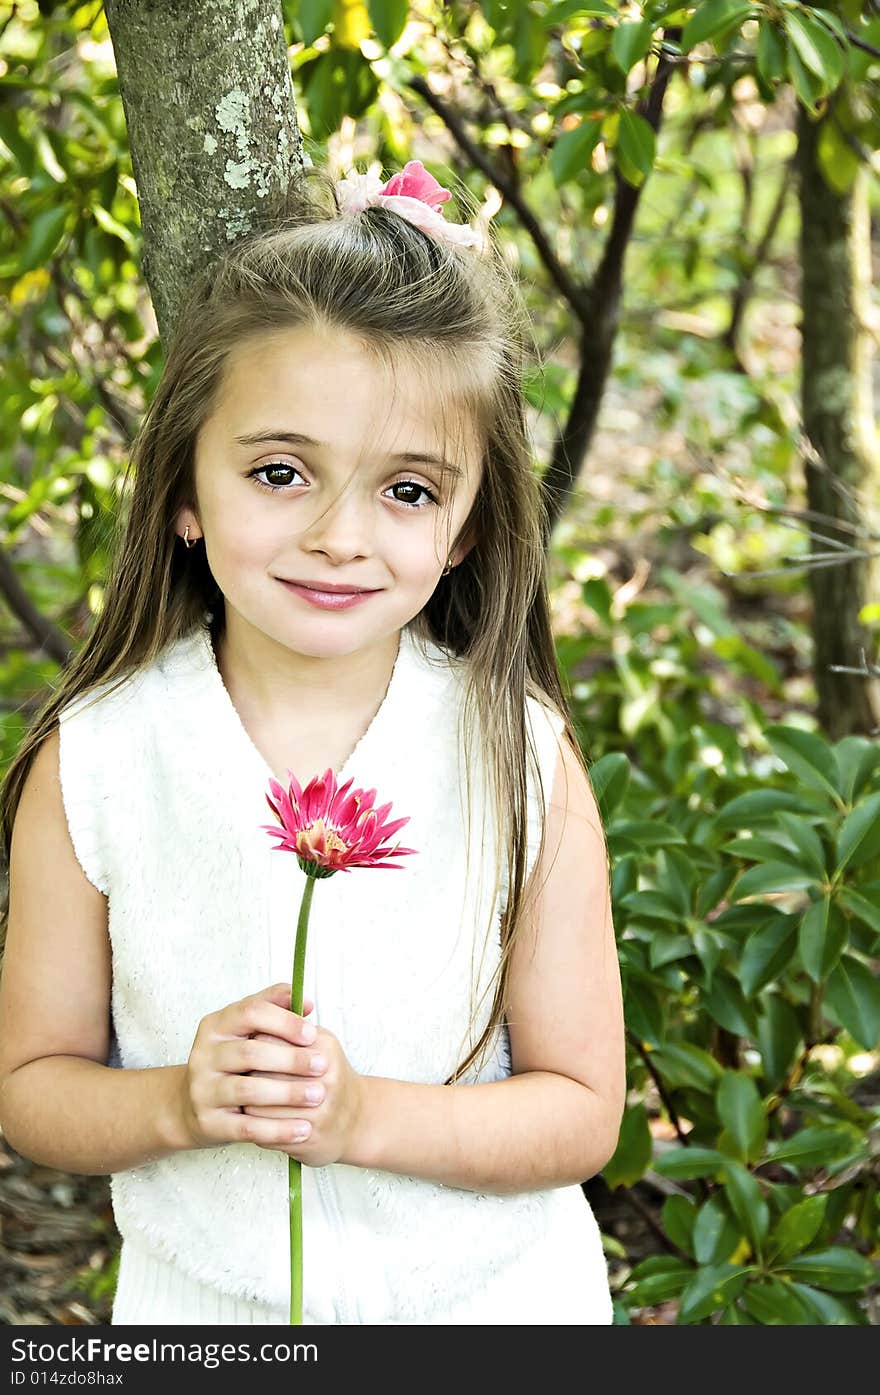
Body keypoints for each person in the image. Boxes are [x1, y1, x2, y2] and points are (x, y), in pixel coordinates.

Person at [0, 159, 625, 1326]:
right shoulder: (96, 762)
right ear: (185, 488)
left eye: (406, 491)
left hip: (496, 1308)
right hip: (208, 1318)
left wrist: (362, 1118)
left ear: (464, 531)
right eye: (281, 473)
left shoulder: (518, 753)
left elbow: (582, 1109)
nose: (340, 537)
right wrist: (178, 1105)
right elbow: (33, 1088)